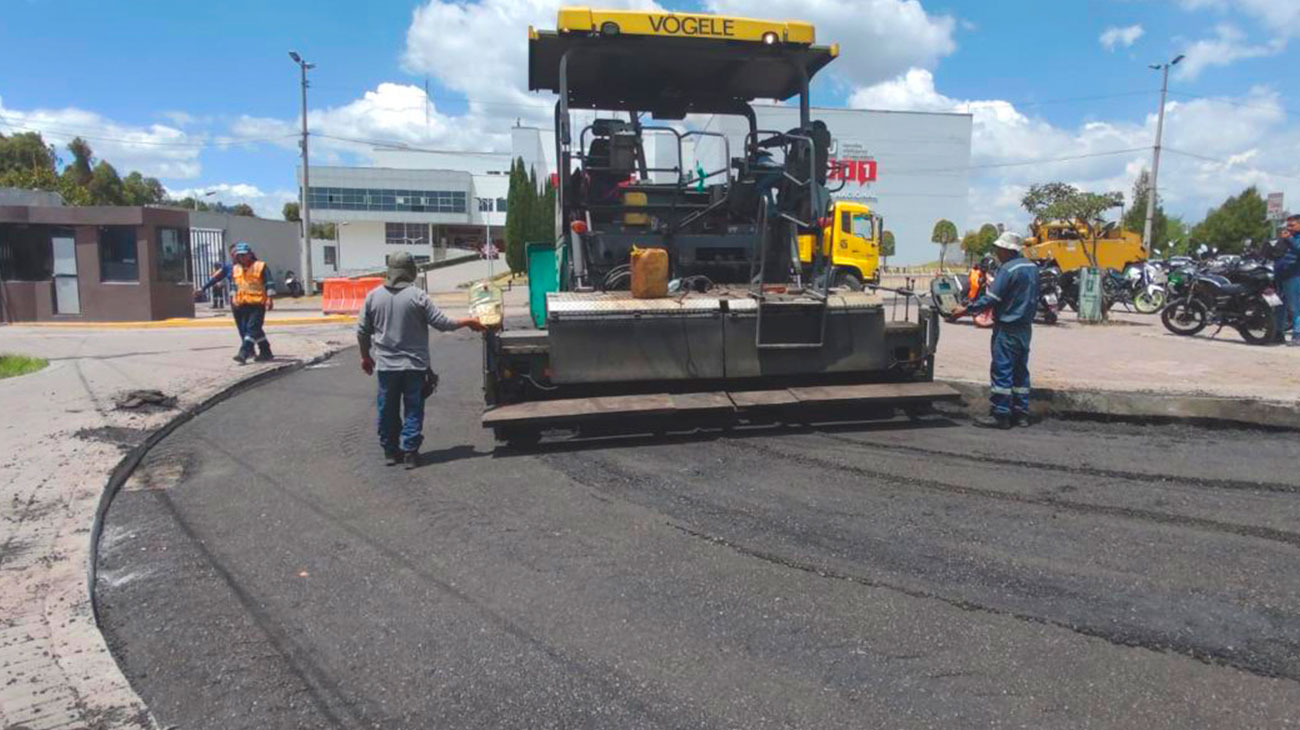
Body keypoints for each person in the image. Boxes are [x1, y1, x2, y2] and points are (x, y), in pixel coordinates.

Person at [357, 252, 486, 469]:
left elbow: (362, 332)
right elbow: (442, 323)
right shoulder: (418, 296)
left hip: (386, 367)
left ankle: (390, 451)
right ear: (411, 272)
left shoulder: (373, 297)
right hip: (415, 366)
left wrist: (365, 356)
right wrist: (468, 322)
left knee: (386, 409)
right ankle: (410, 452)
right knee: (413, 408)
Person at [952, 231, 1039, 429]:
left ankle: (1001, 415)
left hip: (1007, 328)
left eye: (999, 249)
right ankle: (1021, 414)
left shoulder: (1007, 270)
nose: (997, 252)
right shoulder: (1032, 268)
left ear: (1007, 250)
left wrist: (965, 310)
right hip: (1025, 328)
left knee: (1002, 370)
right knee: (1020, 371)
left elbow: (992, 298)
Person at [207, 242, 276, 364]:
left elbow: (269, 283)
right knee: (255, 330)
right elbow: (234, 285)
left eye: (244, 255)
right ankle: (266, 351)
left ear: (250, 254)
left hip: (257, 303)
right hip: (242, 303)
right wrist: (233, 298)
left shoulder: (261, 266)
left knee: (251, 328)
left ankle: (244, 353)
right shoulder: (236, 268)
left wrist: (270, 299)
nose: (242, 257)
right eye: (239, 255)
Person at [1272, 216, 1300, 346]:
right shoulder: (1287, 239)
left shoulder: (1295, 239)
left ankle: (1297, 335)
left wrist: (1289, 239)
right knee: (1279, 306)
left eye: (1292, 225)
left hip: (1294, 277)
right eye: (1287, 225)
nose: (1289, 228)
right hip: (1280, 276)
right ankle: (1279, 333)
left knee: (1295, 308)